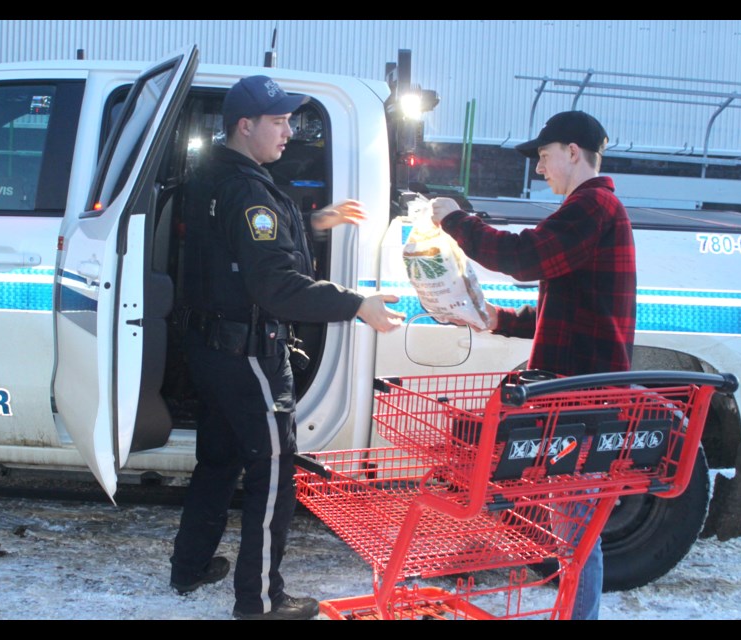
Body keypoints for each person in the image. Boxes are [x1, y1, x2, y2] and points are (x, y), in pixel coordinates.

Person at [170, 75, 405, 620]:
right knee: (274, 473)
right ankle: (261, 602)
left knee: (218, 462)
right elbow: (273, 284)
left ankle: (190, 568)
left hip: (210, 348)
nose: (289, 131)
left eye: (290, 120)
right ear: (245, 126)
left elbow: (250, 242)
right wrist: (355, 304)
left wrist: (314, 223)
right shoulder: (250, 188)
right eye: (277, 121)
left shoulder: (212, 175)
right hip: (248, 352)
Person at [430, 110, 637, 620]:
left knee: (575, 532)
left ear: (572, 151)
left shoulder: (592, 205)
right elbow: (566, 303)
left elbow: (524, 258)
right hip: (578, 389)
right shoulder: (590, 210)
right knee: (571, 526)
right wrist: (498, 319)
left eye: (544, 157)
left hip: (582, 396)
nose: (539, 169)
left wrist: (454, 219)